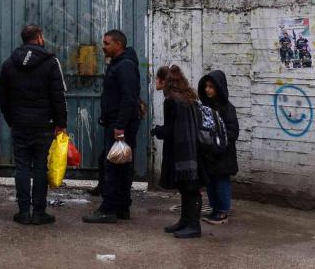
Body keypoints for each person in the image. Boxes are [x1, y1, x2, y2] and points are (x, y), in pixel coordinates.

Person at [0, 25, 68, 225]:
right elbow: (58, 96)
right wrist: (61, 124)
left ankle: (23, 212)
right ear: (39, 38)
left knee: (21, 167)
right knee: (40, 167)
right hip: (44, 125)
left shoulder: (9, 63)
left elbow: (3, 98)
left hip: (20, 124)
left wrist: (12, 120)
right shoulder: (51, 62)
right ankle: (38, 212)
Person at [83, 30, 141, 224]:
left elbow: (128, 98)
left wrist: (120, 126)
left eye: (107, 43)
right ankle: (122, 207)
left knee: (113, 166)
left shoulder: (124, 66)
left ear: (118, 45)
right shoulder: (119, 63)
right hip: (118, 122)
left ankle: (108, 209)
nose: (103, 47)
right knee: (121, 165)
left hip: (120, 125)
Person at [151, 65, 208, 238]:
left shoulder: (171, 100)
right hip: (193, 149)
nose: (155, 82)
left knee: (189, 189)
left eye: (157, 79)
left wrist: (157, 131)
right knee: (188, 187)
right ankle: (185, 221)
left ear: (163, 81)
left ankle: (193, 225)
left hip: (181, 150)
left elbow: (170, 130)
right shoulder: (188, 97)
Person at [198, 70, 239, 225]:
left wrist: (219, 144)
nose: (207, 90)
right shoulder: (206, 107)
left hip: (223, 154)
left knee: (221, 182)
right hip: (210, 153)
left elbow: (233, 132)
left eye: (211, 87)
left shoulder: (227, 108)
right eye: (206, 86)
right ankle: (215, 208)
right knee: (211, 183)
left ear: (219, 88)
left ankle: (222, 212)